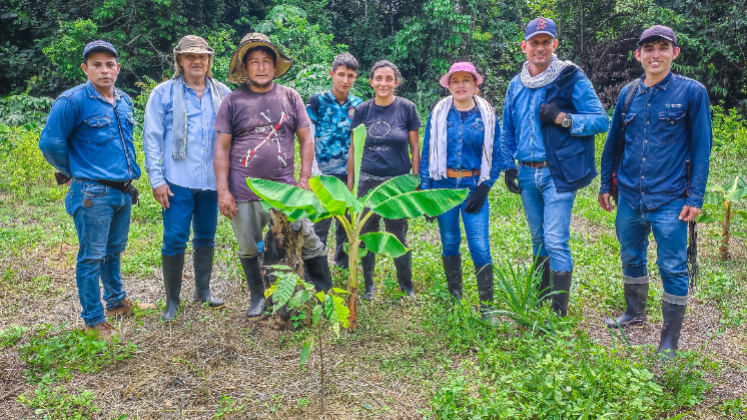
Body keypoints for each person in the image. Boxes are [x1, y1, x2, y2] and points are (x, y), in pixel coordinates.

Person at [599, 26, 712, 358]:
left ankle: (669, 338)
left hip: (671, 199)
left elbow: (702, 149)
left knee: (673, 266)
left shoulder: (692, 93)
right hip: (631, 197)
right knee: (631, 255)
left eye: (663, 47)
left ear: (674, 53)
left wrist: (695, 198)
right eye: (649, 49)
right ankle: (634, 313)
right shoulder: (628, 94)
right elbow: (613, 144)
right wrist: (606, 184)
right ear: (638, 55)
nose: (655, 54)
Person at [39, 41, 153, 340]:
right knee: (92, 256)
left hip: (123, 191)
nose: (104, 70)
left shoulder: (125, 101)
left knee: (114, 251)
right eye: (97, 64)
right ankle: (93, 320)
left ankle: (116, 302)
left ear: (118, 68)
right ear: (85, 68)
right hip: (92, 193)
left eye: (109, 64)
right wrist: (74, 169)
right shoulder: (72, 101)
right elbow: (50, 144)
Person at [213, 33, 333, 318]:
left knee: (308, 239)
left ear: (274, 65)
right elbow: (221, 148)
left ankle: (325, 295)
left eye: (267, 61)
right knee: (248, 247)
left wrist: (304, 179)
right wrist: (222, 191)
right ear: (245, 67)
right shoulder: (232, 101)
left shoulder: (290, 96)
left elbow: (306, 140)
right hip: (243, 191)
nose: (261, 67)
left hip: (285, 191)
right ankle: (258, 297)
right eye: (254, 62)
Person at [500, 18, 609, 318]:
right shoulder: (515, 85)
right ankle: (542, 294)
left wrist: (563, 118)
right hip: (526, 171)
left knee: (555, 238)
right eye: (534, 42)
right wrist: (508, 166)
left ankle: (559, 310)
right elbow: (507, 129)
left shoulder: (570, 78)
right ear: (524, 47)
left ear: (554, 45)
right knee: (538, 238)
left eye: (546, 42)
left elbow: (600, 119)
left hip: (556, 172)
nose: (540, 47)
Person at [143, 35, 232, 323]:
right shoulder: (163, 93)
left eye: (203, 56)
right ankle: (172, 301)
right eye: (190, 56)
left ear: (209, 61)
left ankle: (203, 291)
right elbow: (152, 139)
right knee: (174, 239)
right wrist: (157, 180)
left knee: (206, 236)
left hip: (211, 181)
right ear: (179, 60)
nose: (197, 61)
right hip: (177, 181)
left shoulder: (224, 94)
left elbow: (233, 138)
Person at [420, 62, 502, 321]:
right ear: (449, 85)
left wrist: (483, 189)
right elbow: (426, 153)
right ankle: (455, 298)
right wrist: (426, 193)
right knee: (450, 242)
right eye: (455, 80)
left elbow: (497, 155)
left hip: (473, 188)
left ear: (475, 84)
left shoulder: (486, 115)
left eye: (466, 79)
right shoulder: (439, 114)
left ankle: (487, 308)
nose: (461, 85)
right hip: (443, 187)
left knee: (480, 246)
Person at [348, 60, 421, 300]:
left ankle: (406, 286)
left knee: (397, 234)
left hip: (397, 182)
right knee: (367, 234)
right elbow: (353, 148)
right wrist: (351, 182)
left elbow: (414, 146)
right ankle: (368, 286)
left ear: (396, 82)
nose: (383, 83)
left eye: (389, 79)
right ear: (371, 82)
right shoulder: (363, 110)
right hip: (367, 181)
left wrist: (415, 178)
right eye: (378, 78)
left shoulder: (407, 108)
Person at [306, 53, 363, 269]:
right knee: (319, 224)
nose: (345, 80)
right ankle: (315, 270)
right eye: (341, 74)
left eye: (350, 76)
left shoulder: (359, 105)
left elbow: (358, 143)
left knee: (345, 224)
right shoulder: (317, 100)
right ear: (332, 74)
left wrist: (355, 176)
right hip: (322, 173)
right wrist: (312, 173)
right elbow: (309, 138)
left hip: (348, 175)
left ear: (355, 77)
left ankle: (343, 265)